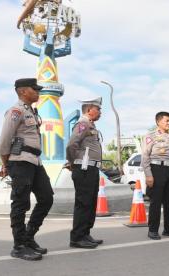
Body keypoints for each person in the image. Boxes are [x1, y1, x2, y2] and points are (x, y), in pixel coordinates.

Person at [0, 78, 54, 261]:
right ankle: (19, 245)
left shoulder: (31, 111)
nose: (38, 92)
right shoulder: (16, 111)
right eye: (34, 89)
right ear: (22, 91)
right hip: (20, 161)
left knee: (46, 198)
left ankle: (28, 237)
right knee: (21, 202)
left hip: (35, 161)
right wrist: (6, 164)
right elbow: (4, 141)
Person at [65, 97, 104, 249]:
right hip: (84, 168)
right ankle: (76, 238)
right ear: (89, 110)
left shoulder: (90, 125)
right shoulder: (83, 124)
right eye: (98, 109)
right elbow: (71, 145)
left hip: (92, 168)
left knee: (91, 202)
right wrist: (72, 162)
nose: (100, 112)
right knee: (83, 203)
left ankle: (85, 233)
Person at [142, 111, 169, 240]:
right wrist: (149, 175)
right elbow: (145, 156)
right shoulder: (150, 136)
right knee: (156, 201)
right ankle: (153, 230)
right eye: (167, 121)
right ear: (158, 122)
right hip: (156, 169)